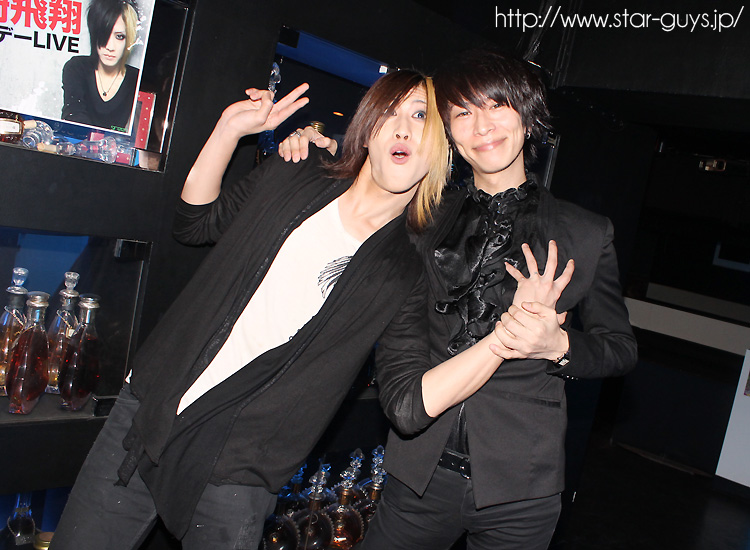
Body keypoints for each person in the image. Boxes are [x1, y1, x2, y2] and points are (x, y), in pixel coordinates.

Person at [49, 69, 566, 550]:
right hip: (151, 411)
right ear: (367, 130)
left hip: (239, 466)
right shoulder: (298, 172)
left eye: (420, 116)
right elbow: (196, 222)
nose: (403, 127)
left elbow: (409, 401)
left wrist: (508, 335)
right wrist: (230, 130)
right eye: (390, 112)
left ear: (441, 150)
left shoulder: (410, 266)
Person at [283, 49, 638, 550]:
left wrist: (558, 346)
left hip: (521, 487)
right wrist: (311, 154)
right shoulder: (422, 215)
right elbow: (362, 189)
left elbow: (620, 349)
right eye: (463, 113)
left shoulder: (587, 232)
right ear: (449, 131)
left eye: (496, 106)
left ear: (526, 114)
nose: (482, 126)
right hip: (417, 473)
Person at [61, 0, 140, 132]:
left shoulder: (136, 79)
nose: (110, 47)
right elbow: (73, 115)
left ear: (129, 39)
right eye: (104, 34)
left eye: (119, 37)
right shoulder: (77, 68)